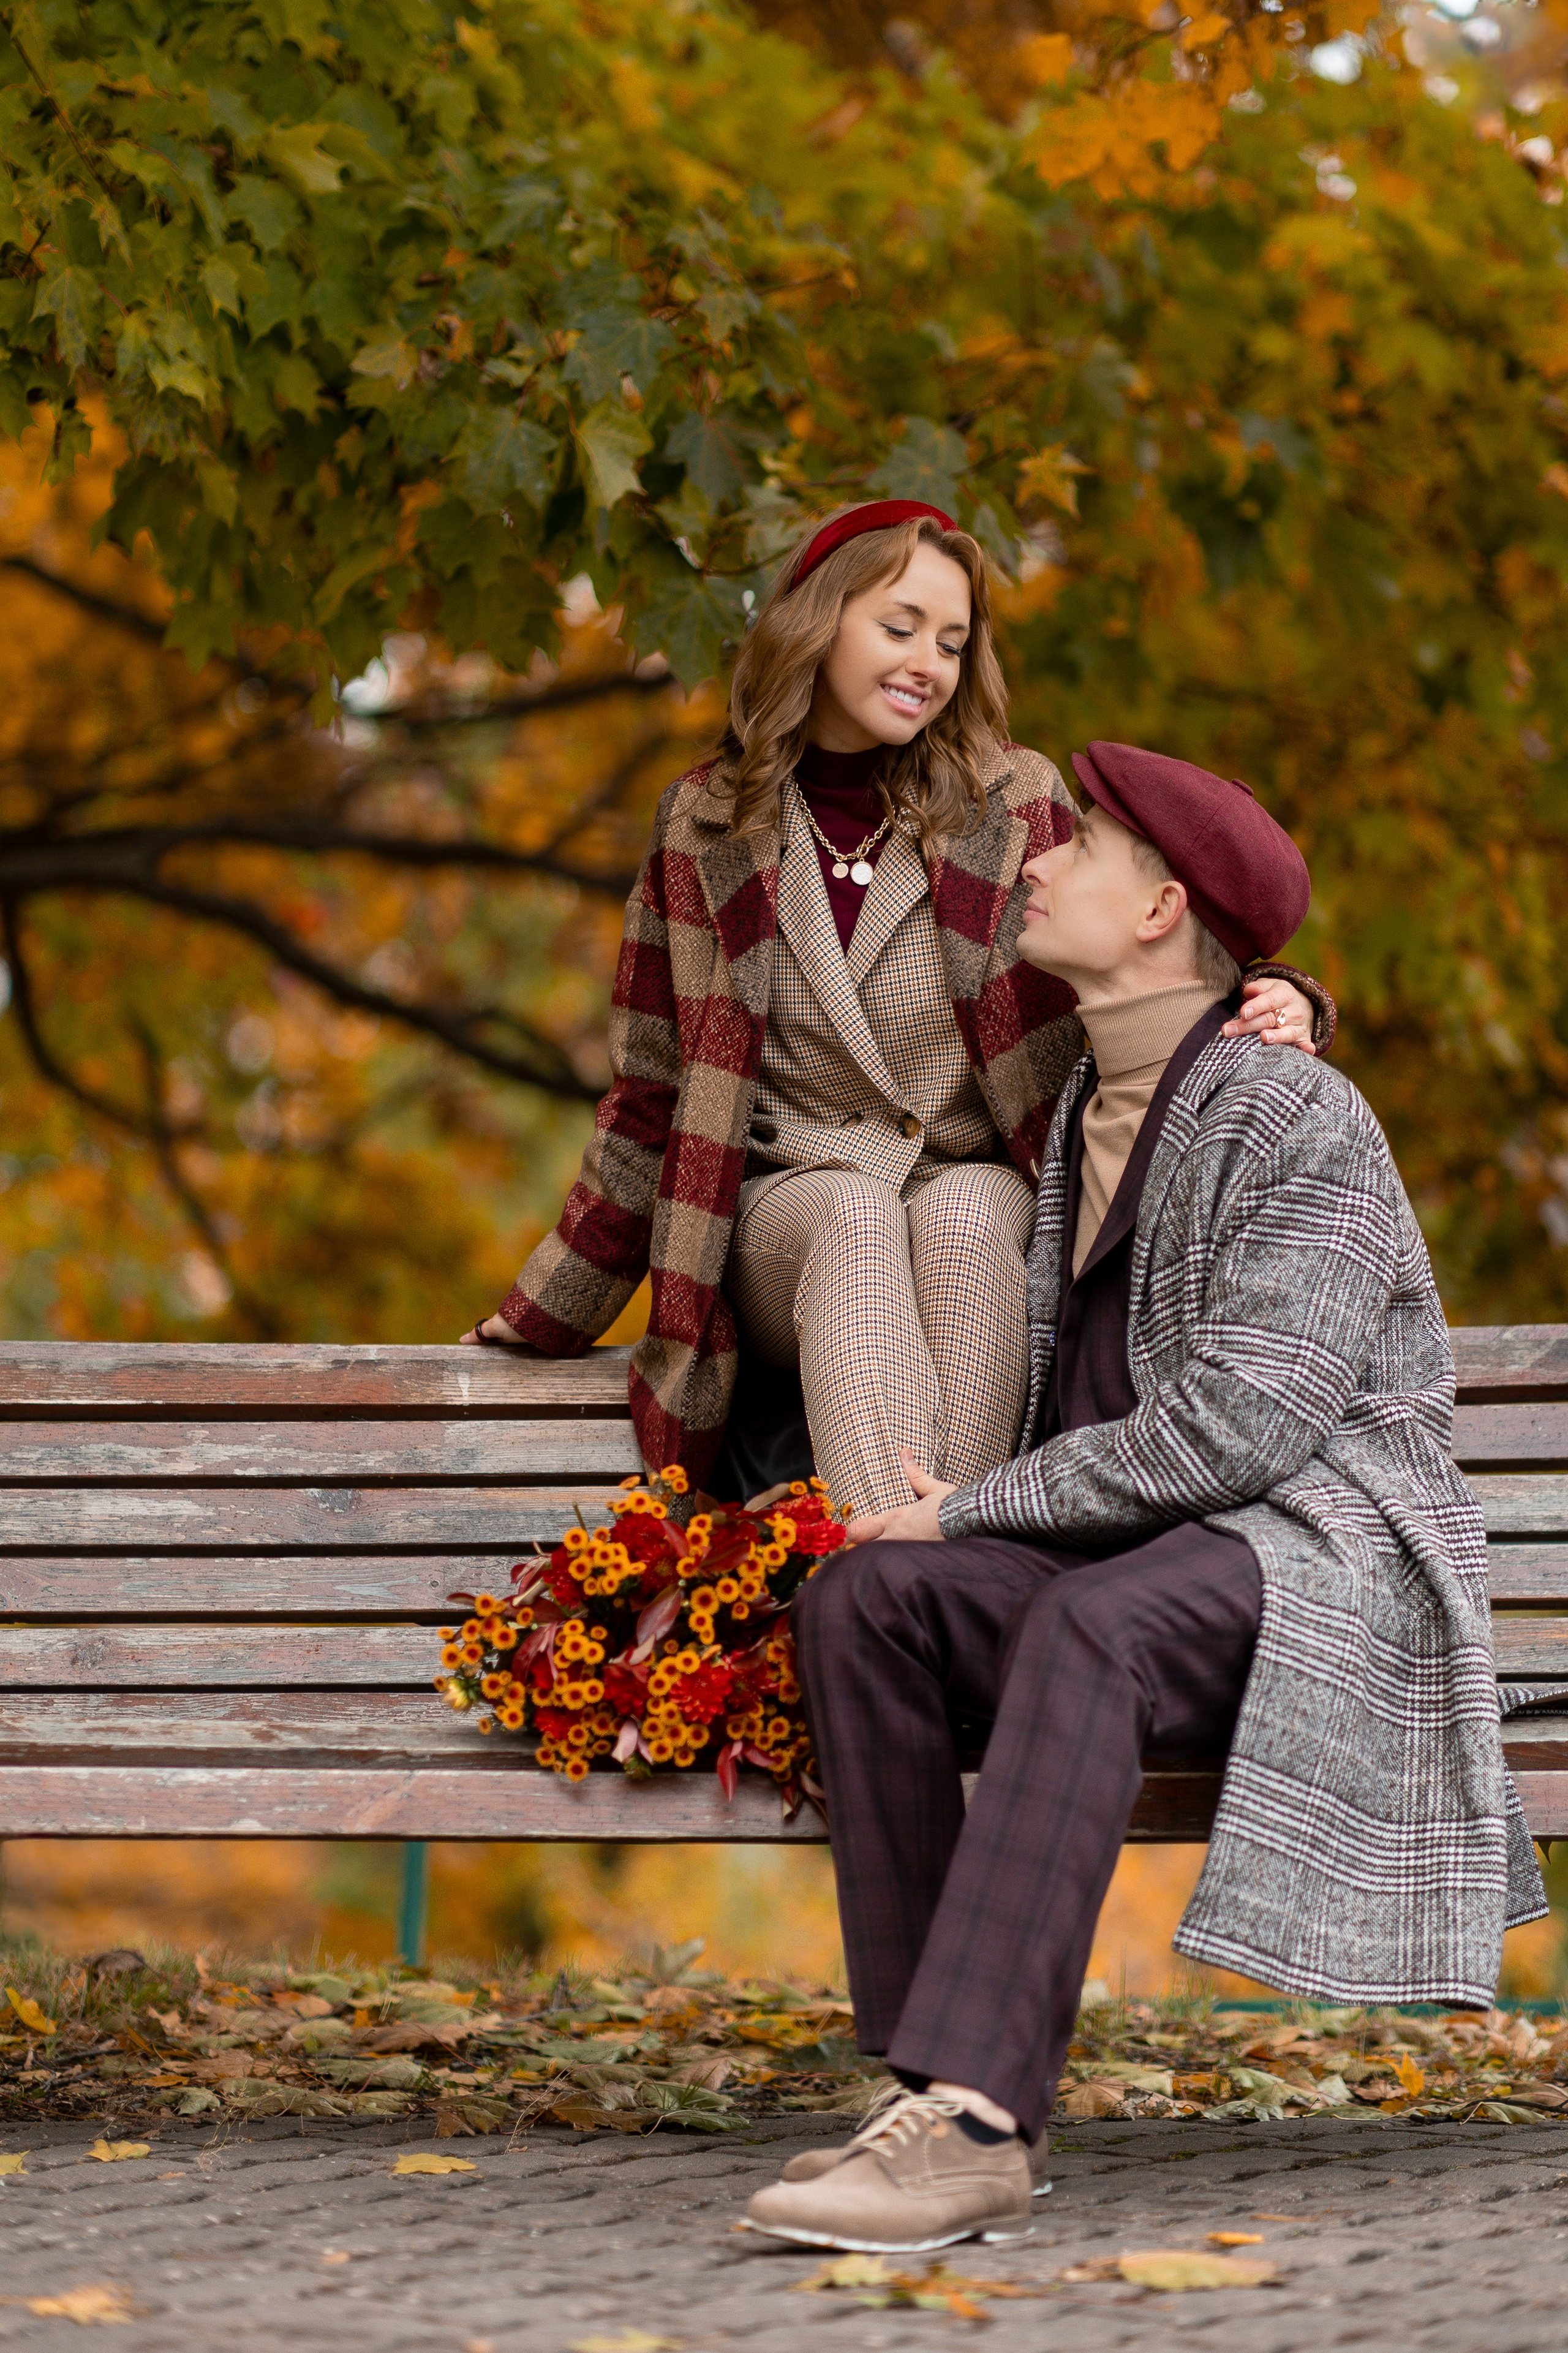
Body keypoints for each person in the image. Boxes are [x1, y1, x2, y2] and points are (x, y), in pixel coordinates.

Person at [739, 740, 1545, 2256]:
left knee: (1082, 1628)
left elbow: (1248, 1423)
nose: (1035, 863)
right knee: (868, 1599)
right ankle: (931, 2086)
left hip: (1315, 1556)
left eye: (1078, 848)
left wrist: (978, 1507)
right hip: (1134, 1557)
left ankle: (978, 2125)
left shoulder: (1294, 1116)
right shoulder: (1083, 1113)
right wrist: (958, 1515)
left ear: (1162, 907)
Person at [461, 503, 1332, 1517]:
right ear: (819, 622)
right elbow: (652, 1092)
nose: (930, 661)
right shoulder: (703, 823)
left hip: (978, 1175)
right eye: (901, 626)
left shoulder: (1012, 800)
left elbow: (1141, 952)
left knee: (968, 1216)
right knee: (854, 1215)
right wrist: (552, 1306)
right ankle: (908, 1576)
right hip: (793, 1200)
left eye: (954, 643)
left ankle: (926, 1576)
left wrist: (1287, 996)